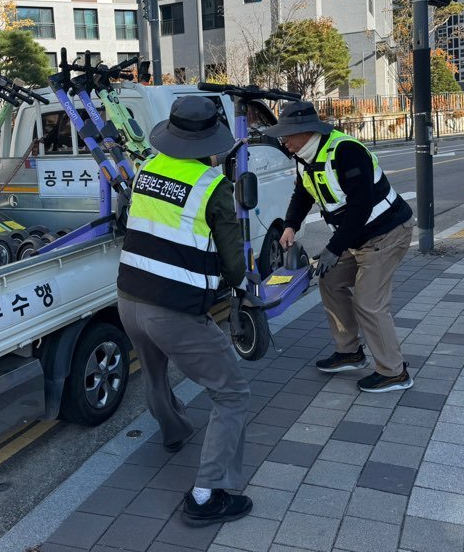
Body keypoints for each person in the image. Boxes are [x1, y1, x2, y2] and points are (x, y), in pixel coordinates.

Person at [117, 96, 252, 527]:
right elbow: (233, 260)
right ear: (211, 140)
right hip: (173, 310)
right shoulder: (213, 186)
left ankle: (174, 432)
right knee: (232, 393)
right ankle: (206, 496)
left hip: (128, 299)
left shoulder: (146, 169)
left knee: (154, 372)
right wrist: (235, 281)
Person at [265, 101, 415, 393]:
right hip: (356, 236)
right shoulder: (304, 156)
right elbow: (302, 194)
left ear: (307, 131)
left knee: (369, 303)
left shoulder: (347, 151)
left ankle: (394, 372)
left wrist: (333, 248)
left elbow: (360, 207)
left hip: (387, 233)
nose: (283, 141)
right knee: (330, 280)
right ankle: (349, 352)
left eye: (287, 135)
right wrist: (290, 225)